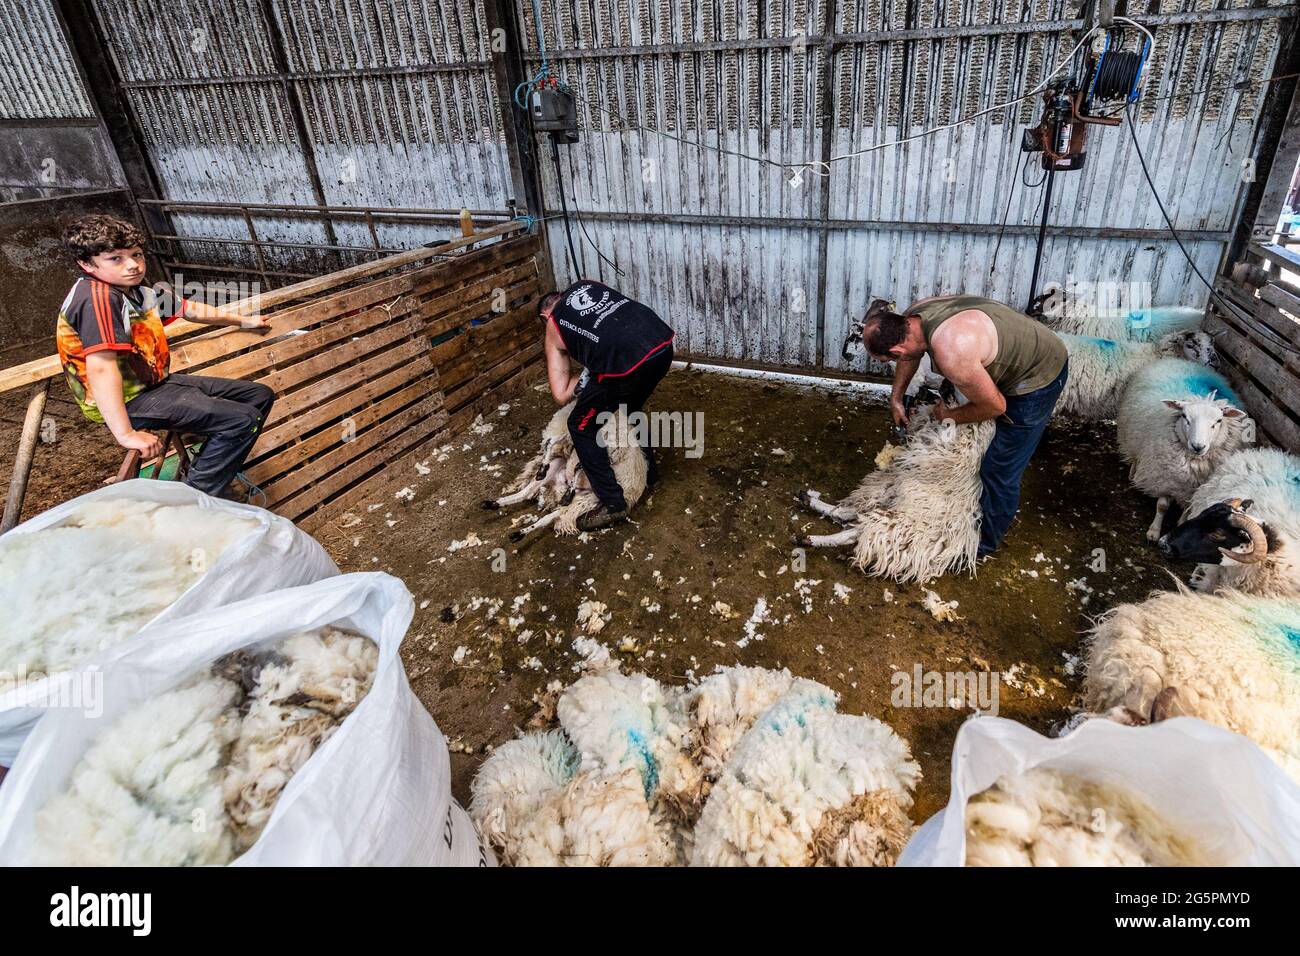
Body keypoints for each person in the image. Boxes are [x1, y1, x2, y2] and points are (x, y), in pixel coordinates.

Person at [56, 214, 273, 499]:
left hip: (156, 385)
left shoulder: (137, 291)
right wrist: (125, 434)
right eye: (115, 259)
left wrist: (243, 321)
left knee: (259, 395)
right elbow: (101, 369)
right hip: (126, 398)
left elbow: (190, 310)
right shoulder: (97, 298)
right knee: (242, 419)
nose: (133, 265)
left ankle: (201, 470)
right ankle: (196, 499)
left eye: (136, 254)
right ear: (86, 264)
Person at [862, 294, 1068, 557]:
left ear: (896, 351)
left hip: (1039, 376)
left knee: (999, 467)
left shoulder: (952, 352)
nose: (892, 362)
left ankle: (980, 546)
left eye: (886, 360)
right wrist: (896, 398)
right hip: (1023, 344)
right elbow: (909, 356)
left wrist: (948, 415)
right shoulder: (914, 317)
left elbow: (996, 407)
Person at [540, 279, 675, 531]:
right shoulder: (588, 284)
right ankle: (650, 475)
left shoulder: (553, 324)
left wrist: (585, 376)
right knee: (630, 406)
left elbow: (560, 394)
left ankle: (614, 504)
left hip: (625, 364)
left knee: (580, 426)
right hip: (662, 345)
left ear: (544, 315)